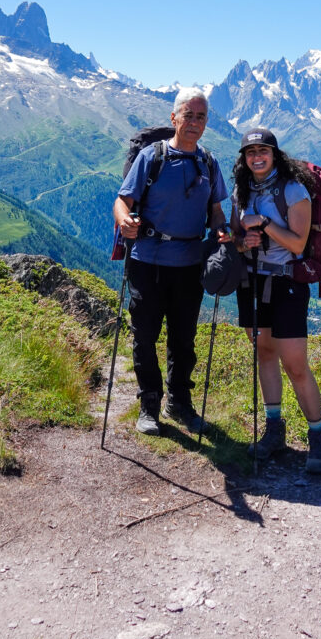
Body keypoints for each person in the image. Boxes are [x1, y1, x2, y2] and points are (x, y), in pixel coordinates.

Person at [113, 88, 229, 436]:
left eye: (200, 117)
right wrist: (124, 221)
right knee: (144, 336)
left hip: (190, 265)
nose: (194, 122)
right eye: (188, 115)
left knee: (184, 339)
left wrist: (222, 232)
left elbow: (216, 211)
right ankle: (149, 405)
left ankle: (179, 403)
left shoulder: (209, 163)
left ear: (206, 122)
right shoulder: (151, 157)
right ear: (174, 118)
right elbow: (122, 200)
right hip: (147, 261)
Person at [230, 128, 321, 473]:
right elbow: (237, 238)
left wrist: (263, 223)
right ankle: (274, 429)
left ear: (275, 155)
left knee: (295, 363)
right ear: (244, 158)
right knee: (264, 352)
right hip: (252, 280)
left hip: (287, 282)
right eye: (251, 152)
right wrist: (244, 241)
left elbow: (298, 244)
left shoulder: (293, 190)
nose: (257, 157)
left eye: (263, 151)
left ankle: (317, 436)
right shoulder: (241, 190)